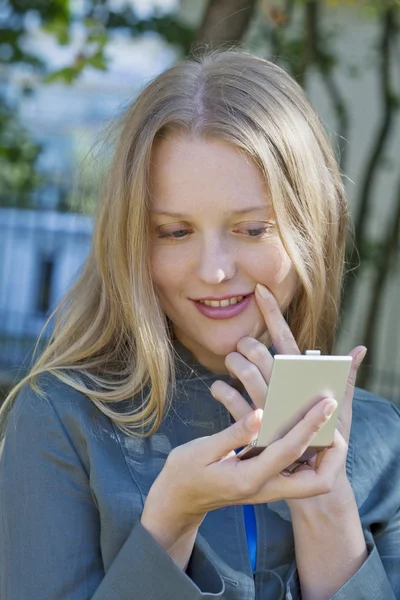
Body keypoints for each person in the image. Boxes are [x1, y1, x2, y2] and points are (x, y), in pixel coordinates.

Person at [0, 48, 399, 600]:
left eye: (253, 229)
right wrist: (170, 522)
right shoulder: (59, 420)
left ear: (312, 226)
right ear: (132, 239)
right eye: (174, 231)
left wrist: (323, 502)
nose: (214, 271)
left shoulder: (384, 440)